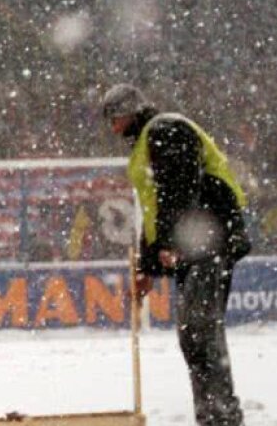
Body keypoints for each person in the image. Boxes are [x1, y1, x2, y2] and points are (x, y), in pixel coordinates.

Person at [101, 83, 251, 426]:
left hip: (205, 240)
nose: (112, 129)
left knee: (199, 333)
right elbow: (153, 211)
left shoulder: (166, 129)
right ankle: (216, 415)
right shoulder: (146, 142)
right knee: (196, 335)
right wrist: (147, 267)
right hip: (193, 244)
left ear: (129, 112)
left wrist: (171, 244)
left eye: (114, 119)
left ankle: (221, 417)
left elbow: (178, 190)